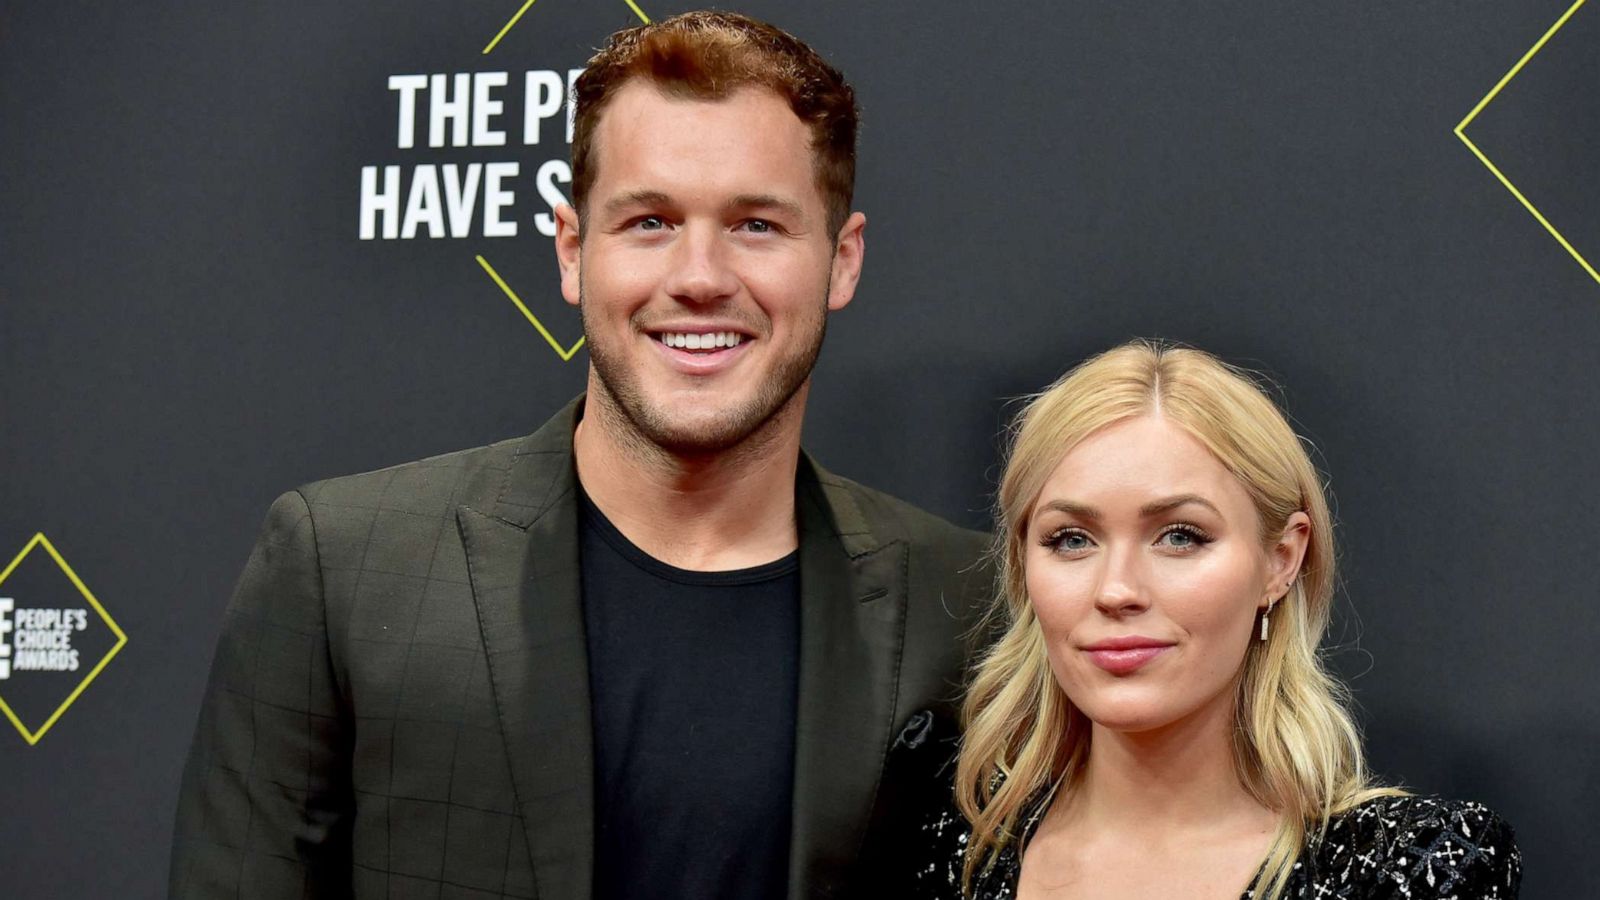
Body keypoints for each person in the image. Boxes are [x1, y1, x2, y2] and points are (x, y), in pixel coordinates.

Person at [169, 12, 989, 900]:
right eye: (649, 222)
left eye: (756, 224)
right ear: (572, 251)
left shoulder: (966, 605)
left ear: (842, 259)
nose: (700, 274)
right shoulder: (344, 567)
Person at [908, 341, 1520, 899]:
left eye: (1180, 536)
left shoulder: (1410, 870)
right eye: (1071, 540)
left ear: (1281, 560)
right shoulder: (951, 852)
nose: (1116, 590)